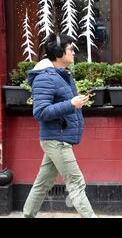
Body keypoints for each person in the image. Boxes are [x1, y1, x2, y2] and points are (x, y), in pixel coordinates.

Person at [23, 34, 96, 218]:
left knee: (42, 183)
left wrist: (74, 102)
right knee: (76, 183)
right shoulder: (45, 78)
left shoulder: (62, 75)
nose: (73, 52)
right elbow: (40, 112)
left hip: (59, 137)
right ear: (59, 52)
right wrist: (71, 104)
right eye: (71, 49)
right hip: (57, 140)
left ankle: (27, 215)